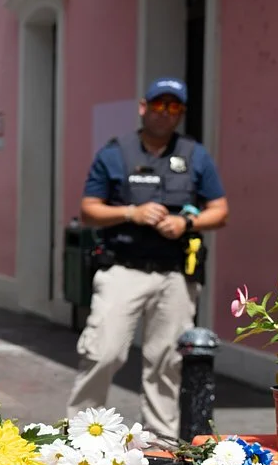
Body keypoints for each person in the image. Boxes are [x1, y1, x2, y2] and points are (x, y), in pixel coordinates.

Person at [68, 78, 229, 440]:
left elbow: (220, 211)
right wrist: (131, 213)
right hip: (123, 269)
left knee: (167, 363)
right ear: (144, 107)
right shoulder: (115, 152)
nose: (164, 113)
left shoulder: (194, 155)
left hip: (175, 275)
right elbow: (89, 210)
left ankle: (161, 442)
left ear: (181, 113)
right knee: (103, 352)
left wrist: (185, 221)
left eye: (174, 107)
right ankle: (79, 437)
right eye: (159, 105)